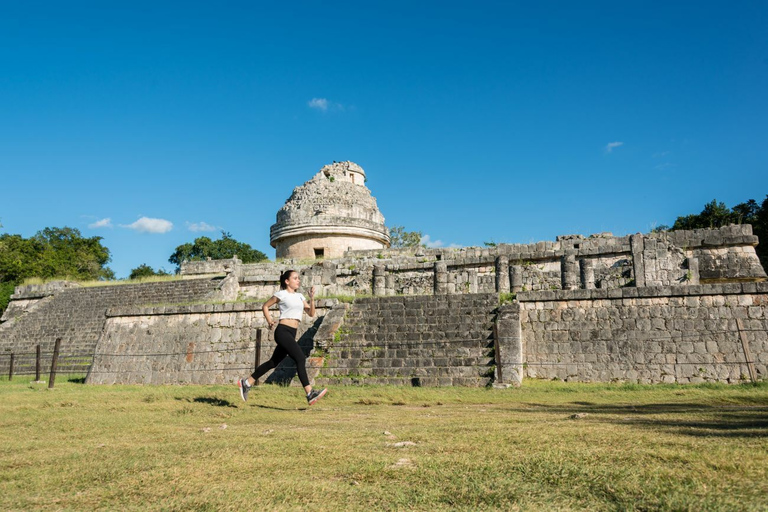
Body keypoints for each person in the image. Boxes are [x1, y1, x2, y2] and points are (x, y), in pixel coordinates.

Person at [238, 270, 327, 405]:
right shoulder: (281, 294)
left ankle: (246, 382)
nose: (298, 280)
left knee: (273, 362)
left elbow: (311, 313)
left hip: (292, 332)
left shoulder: (300, 296)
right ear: (287, 281)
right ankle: (310, 393)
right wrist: (269, 321)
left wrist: (312, 299)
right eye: (295, 278)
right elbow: (265, 306)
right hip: (282, 331)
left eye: (298, 278)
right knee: (300, 358)